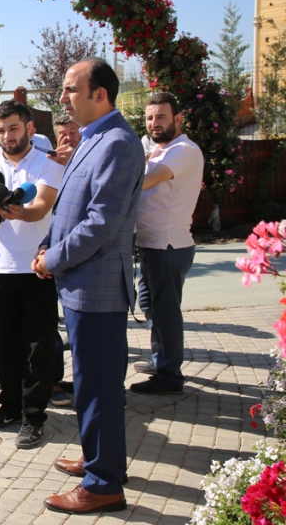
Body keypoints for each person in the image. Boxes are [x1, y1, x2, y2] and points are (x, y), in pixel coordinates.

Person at [33, 58, 144, 514]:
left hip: (96, 288)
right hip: (80, 285)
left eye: (70, 89)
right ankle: (100, 459)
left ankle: (103, 485)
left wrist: (52, 260)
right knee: (91, 383)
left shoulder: (117, 143)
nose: (63, 98)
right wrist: (46, 244)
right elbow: (67, 211)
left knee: (98, 386)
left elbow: (100, 224)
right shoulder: (92, 138)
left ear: (100, 94)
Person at [0, 101, 63, 450]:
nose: (7, 136)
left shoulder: (46, 163)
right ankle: (9, 407)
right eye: (1, 129)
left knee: (37, 348)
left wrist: (15, 212)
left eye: (13, 128)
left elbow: (41, 206)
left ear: (29, 129)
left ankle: (34, 417)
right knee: (1, 345)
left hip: (37, 268)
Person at [129, 92, 203, 394]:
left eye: (161, 116)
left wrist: (131, 166)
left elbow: (149, 179)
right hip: (150, 245)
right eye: (149, 117)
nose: (154, 123)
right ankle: (162, 359)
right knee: (150, 304)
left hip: (168, 246)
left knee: (166, 312)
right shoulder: (155, 148)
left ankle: (169, 376)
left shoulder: (184, 150)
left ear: (178, 118)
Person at [47, 115, 82, 409]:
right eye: (63, 134)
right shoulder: (50, 169)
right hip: (50, 256)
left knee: (83, 328)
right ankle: (55, 382)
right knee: (50, 325)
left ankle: (94, 385)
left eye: (73, 132)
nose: (68, 138)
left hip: (84, 257)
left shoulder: (89, 164)